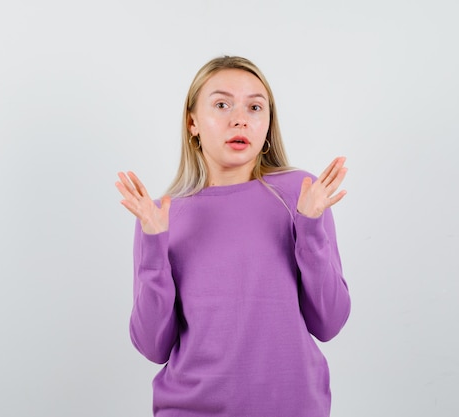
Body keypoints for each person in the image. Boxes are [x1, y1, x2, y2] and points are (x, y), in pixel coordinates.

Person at [115, 56, 350, 417]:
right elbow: (153, 346)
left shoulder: (299, 195)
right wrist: (153, 244)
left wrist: (311, 227)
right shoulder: (163, 214)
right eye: (222, 104)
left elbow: (329, 322)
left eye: (255, 107)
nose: (239, 118)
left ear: (268, 123)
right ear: (192, 122)